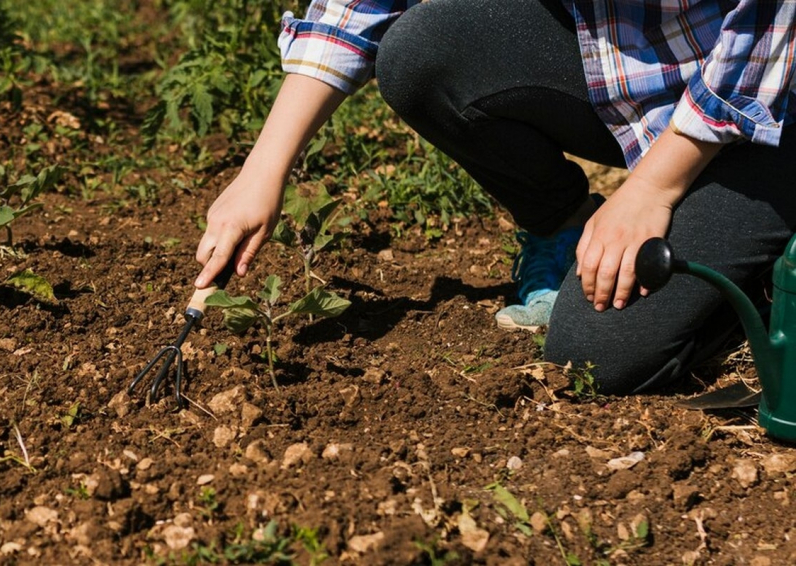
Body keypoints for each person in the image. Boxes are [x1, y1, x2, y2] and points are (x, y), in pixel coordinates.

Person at [193, 0, 796, 394]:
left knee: (597, 358)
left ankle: (764, 274)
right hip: (646, 76)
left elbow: (774, 23)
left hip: (772, 108)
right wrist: (263, 169)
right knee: (423, 52)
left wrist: (654, 187)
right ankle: (565, 227)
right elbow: (361, 6)